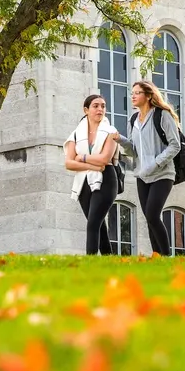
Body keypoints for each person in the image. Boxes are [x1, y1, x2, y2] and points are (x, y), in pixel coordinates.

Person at [124, 80, 182, 256]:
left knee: (152, 214)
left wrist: (156, 163)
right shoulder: (133, 119)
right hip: (142, 175)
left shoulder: (162, 115)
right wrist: (120, 140)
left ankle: (166, 256)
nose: (133, 96)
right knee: (150, 219)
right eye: (132, 92)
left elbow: (175, 145)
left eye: (137, 92)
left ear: (148, 96)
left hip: (163, 173)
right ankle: (157, 257)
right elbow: (134, 151)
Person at [64, 94, 120, 255]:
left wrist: (81, 158)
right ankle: (109, 259)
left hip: (106, 180)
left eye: (103, 106)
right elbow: (68, 163)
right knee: (98, 224)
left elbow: (104, 159)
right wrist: (91, 165)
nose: (100, 109)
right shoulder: (76, 134)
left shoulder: (111, 131)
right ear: (86, 110)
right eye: (96, 106)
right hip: (83, 182)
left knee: (93, 223)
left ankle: (90, 261)